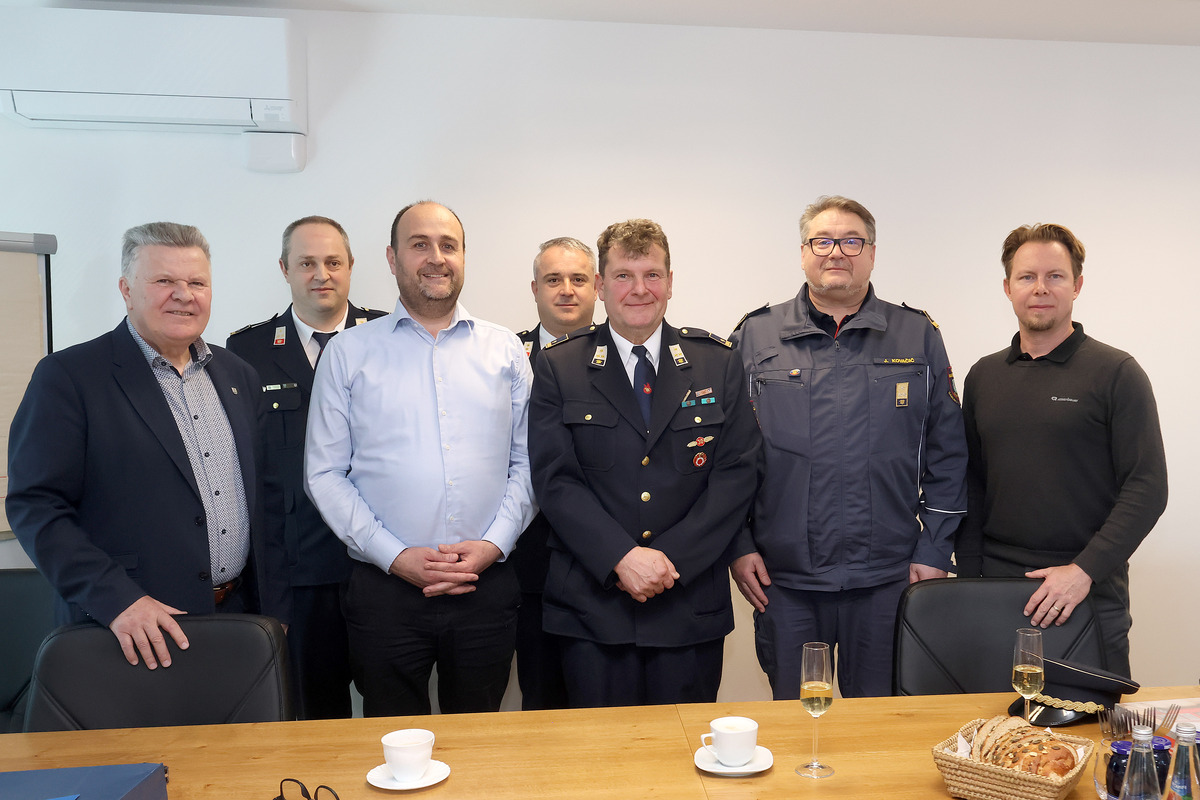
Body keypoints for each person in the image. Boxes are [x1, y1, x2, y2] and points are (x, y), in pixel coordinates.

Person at [7, 221, 285, 670]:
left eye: (197, 283)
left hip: (240, 621)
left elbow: (266, 502)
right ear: (126, 290)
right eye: (164, 281)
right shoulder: (70, 377)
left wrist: (275, 608)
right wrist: (117, 600)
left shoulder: (239, 376)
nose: (183, 295)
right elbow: (36, 505)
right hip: (128, 632)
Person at [730, 195, 967, 698]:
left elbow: (948, 453)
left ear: (872, 254)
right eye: (822, 241)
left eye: (851, 241)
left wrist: (935, 548)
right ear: (802, 253)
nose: (836, 252)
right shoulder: (755, 336)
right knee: (798, 724)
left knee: (880, 726)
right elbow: (728, 457)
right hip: (785, 581)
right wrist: (739, 545)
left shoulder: (917, 335)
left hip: (887, 578)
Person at [305, 201, 535, 716]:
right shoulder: (347, 352)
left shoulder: (505, 351)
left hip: (485, 585)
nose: (436, 257)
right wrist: (393, 556)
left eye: (448, 245)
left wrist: (493, 545)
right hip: (385, 590)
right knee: (391, 739)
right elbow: (324, 474)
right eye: (419, 245)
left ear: (463, 257)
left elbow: (528, 464)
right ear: (392, 258)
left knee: (479, 739)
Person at [529, 218, 761, 707]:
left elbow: (736, 474)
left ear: (670, 282)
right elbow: (555, 481)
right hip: (592, 608)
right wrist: (622, 557)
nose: (639, 289)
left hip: (688, 603)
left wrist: (668, 560)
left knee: (688, 751)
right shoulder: (559, 366)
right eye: (623, 275)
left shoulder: (717, 362)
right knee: (599, 752)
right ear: (600, 284)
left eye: (652, 274)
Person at [957, 223, 1167, 678]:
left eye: (1055, 276)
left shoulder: (1116, 373)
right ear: (1008, 287)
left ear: (1077, 285)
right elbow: (970, 484)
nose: (1040, 288)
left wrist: (1083, 570)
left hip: (1087, 588)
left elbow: (1147, 487)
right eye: (1027, 276)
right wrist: (971, 580)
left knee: (1094, 719)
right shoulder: (984, 376)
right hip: (997, 587)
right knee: (993, 720)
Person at [227, 216, 385, 719]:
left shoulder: (390, 335)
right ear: (284, 269)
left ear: (351, 266)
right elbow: (252, 476)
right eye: (306, 263)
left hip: (384, 561)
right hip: (301, 569)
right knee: (316, 713)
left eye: (333, 262)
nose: (322, 274)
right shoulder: (247, 351)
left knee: (394, 706)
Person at [512, 236, 598, 710]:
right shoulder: (505, 356)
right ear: (534, 289)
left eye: (578, 279)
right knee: (541, 700)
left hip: (603, 559)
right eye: (553, 279)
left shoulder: (625, 355)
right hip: (530, 563)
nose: (566, 290)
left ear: (597, 287)